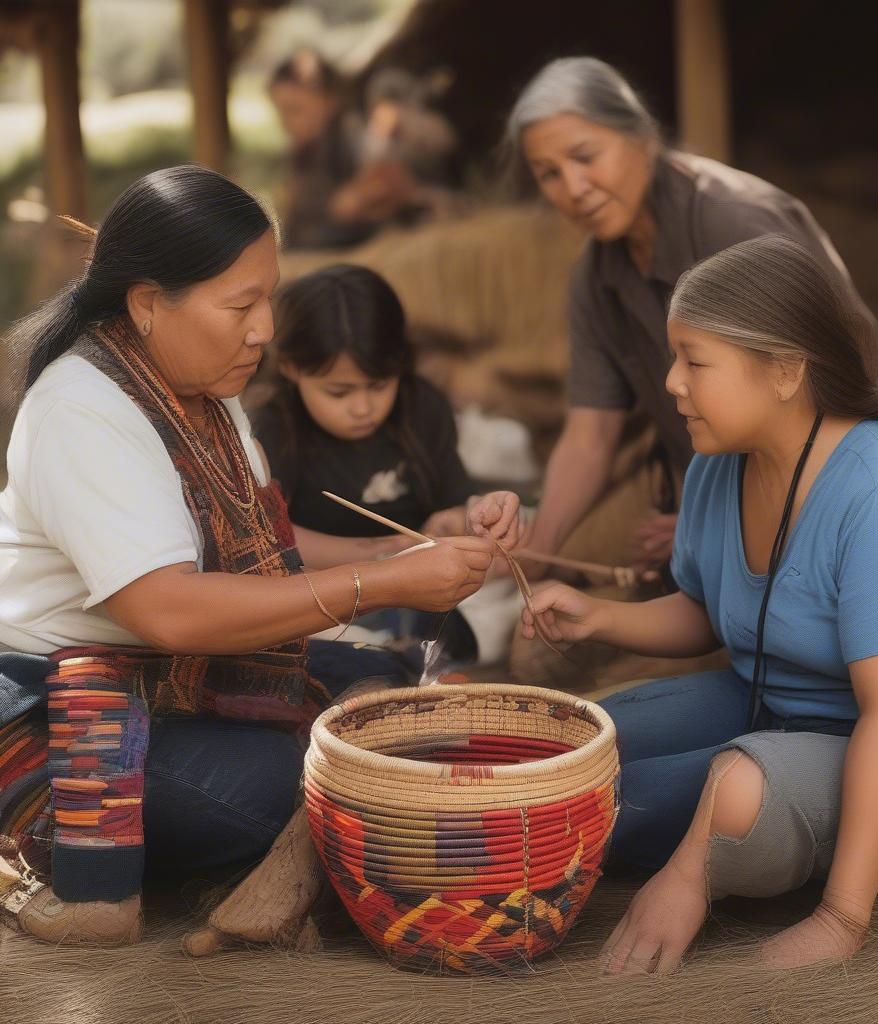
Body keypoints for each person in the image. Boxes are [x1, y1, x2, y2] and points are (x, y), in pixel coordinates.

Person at [0, 166, 520, 947]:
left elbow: (265, 544)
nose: (265, 330)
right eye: (242, 304)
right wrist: (381, 583)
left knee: (428, 694)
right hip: (72, 713)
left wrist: (407, 547)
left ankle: (262, 854)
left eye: (268, 297)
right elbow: (168, 608)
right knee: (309, 786)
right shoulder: (82, 409)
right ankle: (45, 839)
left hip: (192, 678)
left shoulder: (200, 381)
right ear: (147, 304)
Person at [521, 234, 878, 974]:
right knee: (583, 747)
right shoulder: (720, 462)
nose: (671, 382)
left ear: (786, 371)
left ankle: (706, 859)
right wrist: (600, 614)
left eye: (695, 361)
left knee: (732, 791)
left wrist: (840, 920)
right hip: (776, 709)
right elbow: (708, 609)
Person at [504, 57, 878, 584]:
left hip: (833, 492)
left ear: (639, 136)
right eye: (548, 173)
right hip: (712, 505)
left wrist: (713, 521)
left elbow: (827, 392)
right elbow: (590, 434)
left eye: (585, 156)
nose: (573, 186)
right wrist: (538, 551)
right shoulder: (596, 278)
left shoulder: (733, 223)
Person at [251, 263, 483, 662]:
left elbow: (455, 500)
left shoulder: (422, 406)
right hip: (324, 585)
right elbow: (271, 539)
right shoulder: (275, 428)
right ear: (290, 368)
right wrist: (385, 554)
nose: (363, 408)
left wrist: (454, 521)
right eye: (339, 393)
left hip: (423, 581)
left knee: (493, 612)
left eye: (379, 385)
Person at [268, 49, 370, 249]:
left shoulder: (351, 134)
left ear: (331, 102)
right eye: (280, 113)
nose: (285, 124)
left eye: (294, 110)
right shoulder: (304, 149)